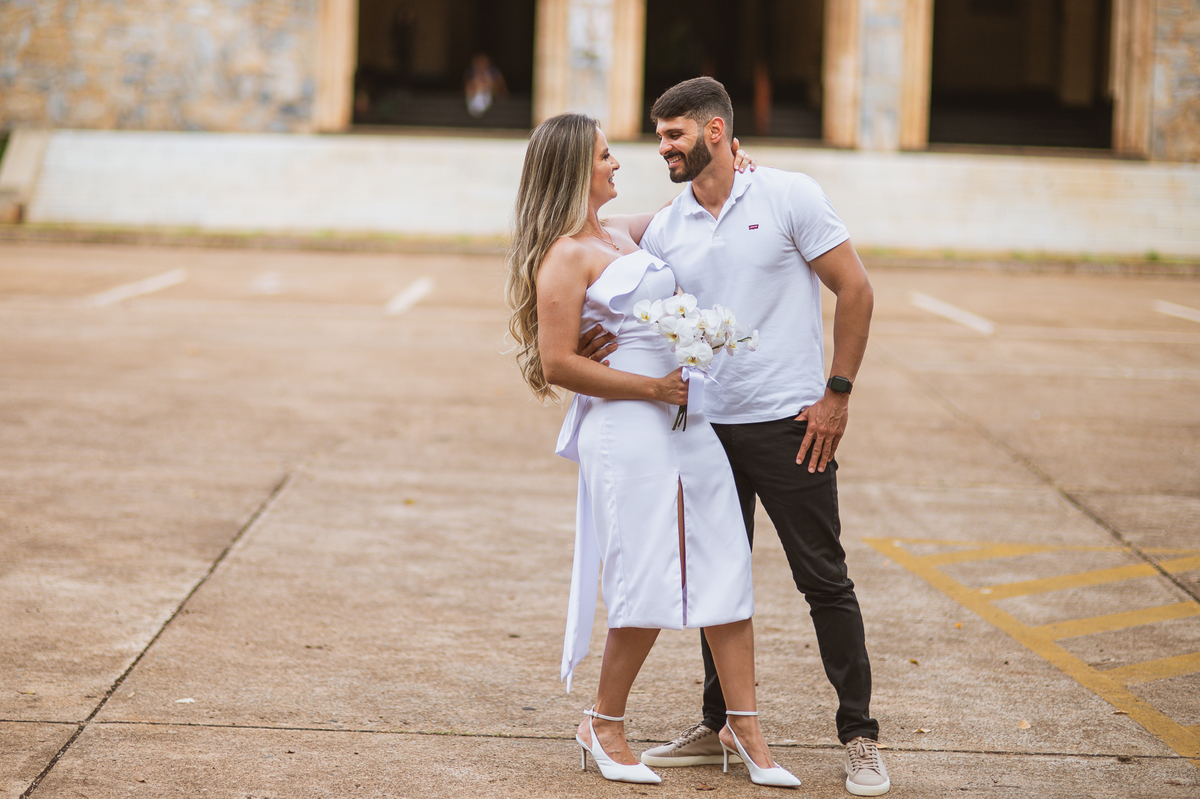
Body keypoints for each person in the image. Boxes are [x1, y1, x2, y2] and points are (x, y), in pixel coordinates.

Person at [609, 76, 890, 797]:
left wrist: (838, 394)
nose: (661, 147)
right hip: (704, 432)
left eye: (672, 134)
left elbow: (854, 290)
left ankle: (859, 736)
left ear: (712, 132)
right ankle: (720, 722)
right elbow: (599, 231)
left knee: (823, 580)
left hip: (793, 426)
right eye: (658, 134)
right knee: (716, 582)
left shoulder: (789, 195)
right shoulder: (671, 220)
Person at [505, 112, 800, 788]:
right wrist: (651, 385)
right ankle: (603, 721)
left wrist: (735, 167)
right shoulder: (563, 256)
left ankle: (743, 723)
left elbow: (681, 206)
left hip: (682, 417)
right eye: (606, 156)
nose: (616, 164)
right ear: (577, 166)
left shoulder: (616, 231)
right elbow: (556, 364)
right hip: (629, 426)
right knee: (647, 571)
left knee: (725, 553)